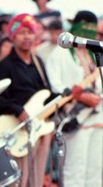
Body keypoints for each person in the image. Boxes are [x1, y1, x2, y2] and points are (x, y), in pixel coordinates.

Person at [0, 13, 56, 187]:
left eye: (30, 32)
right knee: (20, 180)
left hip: (39, 129)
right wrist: (17, 110)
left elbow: (47, 93)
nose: (27, 37)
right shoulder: (4, 66)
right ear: (13, 36)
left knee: (37, 178)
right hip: (17, 130)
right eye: (21, 32)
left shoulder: (38, 63)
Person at [45, 10, 102, 187]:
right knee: (74, 170)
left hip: (98, 116)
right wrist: (82, 97)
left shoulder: (94, 52)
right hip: (75, 117)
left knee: (95, 171)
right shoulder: (59, 53)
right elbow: (55, 85)